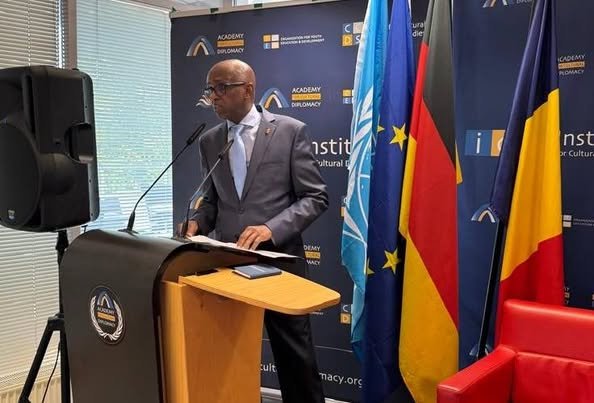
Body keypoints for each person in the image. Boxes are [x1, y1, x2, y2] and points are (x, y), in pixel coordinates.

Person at [184, 59, 328, 403]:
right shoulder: (209, 141)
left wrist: (270, 228)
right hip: (227, 265)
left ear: (248, 89)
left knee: (294, 358)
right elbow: (213, 201)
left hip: (280, 263)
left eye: (222, 88)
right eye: (210, 89)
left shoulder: (290, 131)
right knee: (228, 353)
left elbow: (316, 197)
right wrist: (198, 221)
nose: (214, 97)